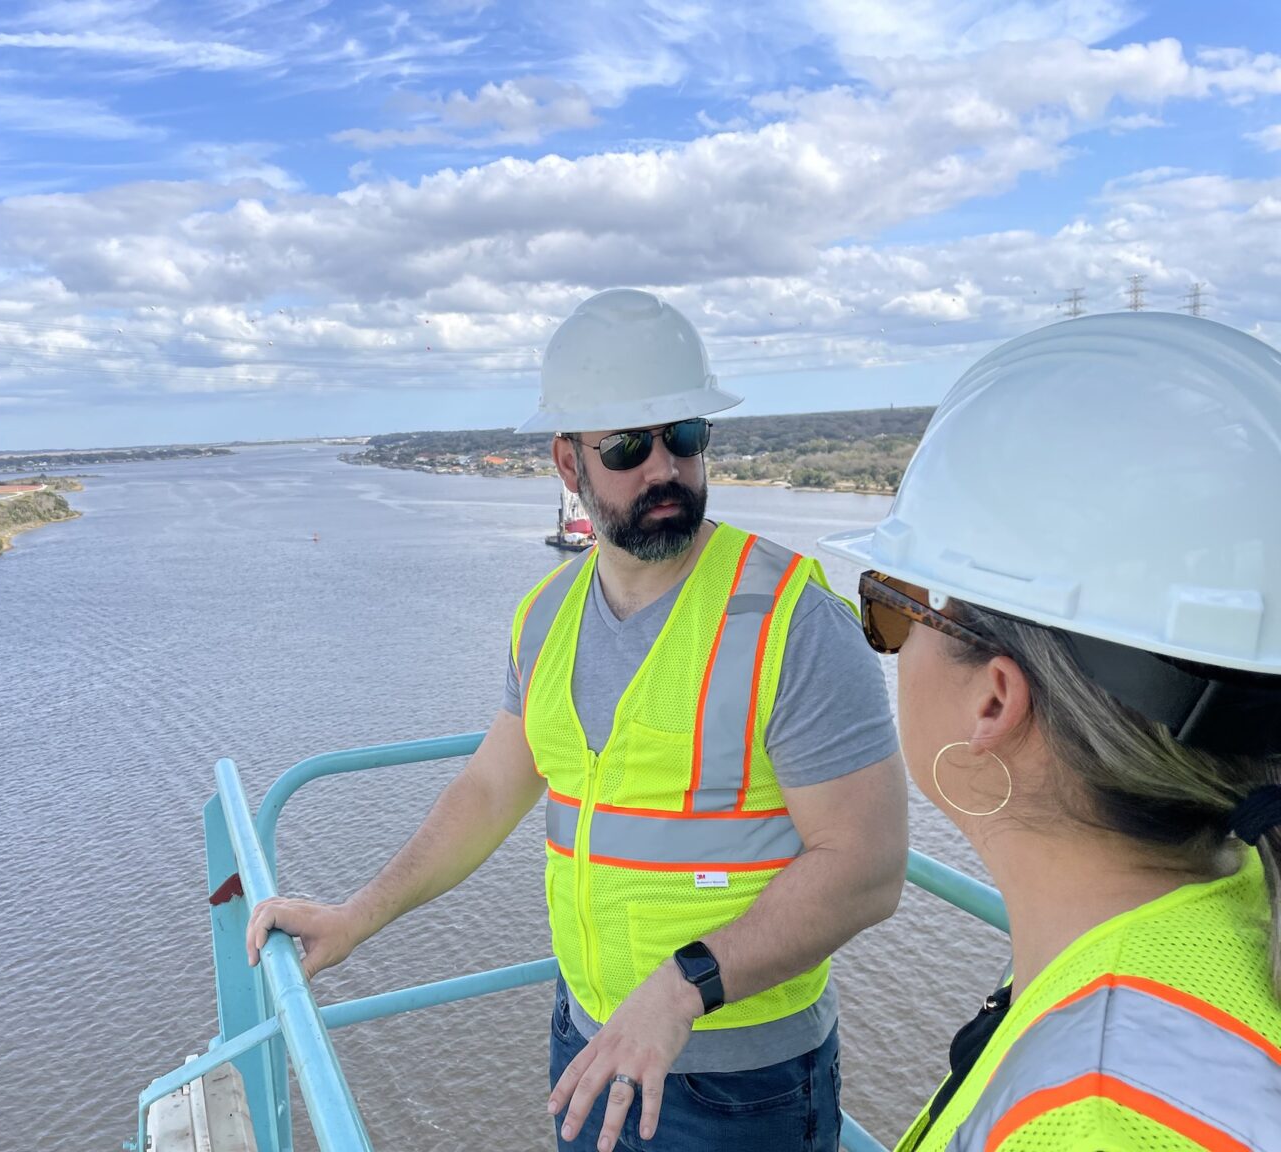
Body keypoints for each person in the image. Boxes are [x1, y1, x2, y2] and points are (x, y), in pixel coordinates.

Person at [248, 287, 909, 1152]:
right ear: (568, 463)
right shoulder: (546, 617)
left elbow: (867, 869)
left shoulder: (792, 621)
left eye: (686, 437)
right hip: (592, 1037)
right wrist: (355, 915)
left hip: (739, 1084)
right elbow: (489, 791)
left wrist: (679, 991)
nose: (664, 469)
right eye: (630, 446)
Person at [819, 311, 1281, 1151]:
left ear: (994, 701)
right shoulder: (1237, 895)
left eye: (895, 608)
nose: (887, 643)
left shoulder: (1103, 1116)